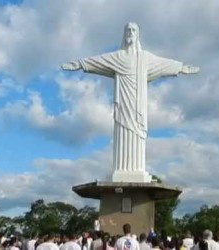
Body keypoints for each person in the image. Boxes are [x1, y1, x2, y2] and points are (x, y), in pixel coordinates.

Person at [61, 22, 200, 181]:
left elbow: (163, 64)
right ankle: (121, 169)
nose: (130, 32)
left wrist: (180, 67)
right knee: (122, 132)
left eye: (133, 30)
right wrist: (80, 64)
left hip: (138, 106)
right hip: (123, 105)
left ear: (137, 34)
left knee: (138, 135)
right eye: (128, 30)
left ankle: (137, 169)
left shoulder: (144, 58)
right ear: (124, 33)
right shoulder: (117, 57)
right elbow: (98, 61)